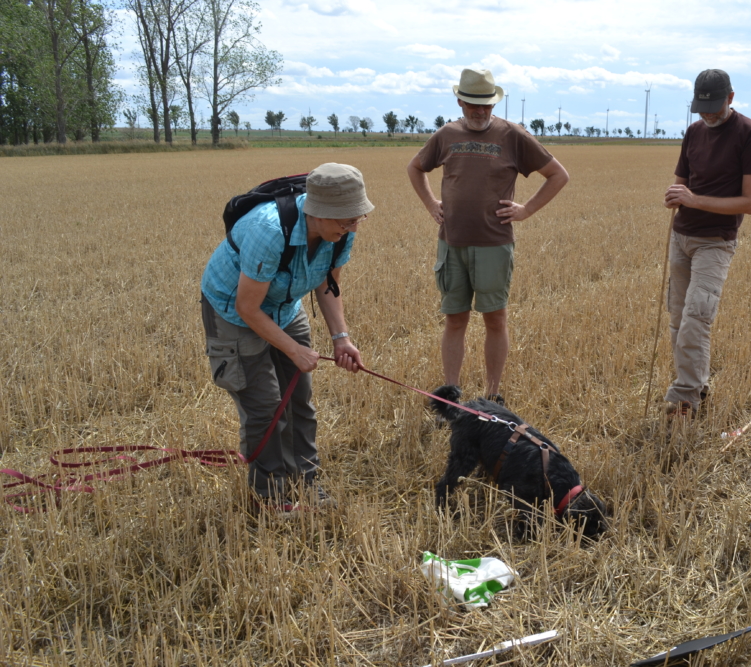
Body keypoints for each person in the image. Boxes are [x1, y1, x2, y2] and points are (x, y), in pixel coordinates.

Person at [200, 163, 372, 511]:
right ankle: (271, 498)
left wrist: (341, 337)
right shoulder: (270, 230)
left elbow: (328, 283)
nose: (354, 227)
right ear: (318, 213)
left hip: (284, 306)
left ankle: (306, 482)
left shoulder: (342, 229)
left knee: (298, 402)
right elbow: (247, 308)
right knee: (265, 407)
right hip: (233, 310)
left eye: (357, 218)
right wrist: (294, 350)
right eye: (346, 220)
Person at [407, 68, 569, 403]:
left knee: (495, 318)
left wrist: (526, 211)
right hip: (451, 242)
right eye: (473, 105)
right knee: (455, 320)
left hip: (494, 244)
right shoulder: (445, 135)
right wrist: (429, 204)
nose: (480, 112)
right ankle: (451, 394)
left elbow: (557, 175)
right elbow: (416, 167)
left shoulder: (512, 135)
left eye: (487, 105)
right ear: (460, 101)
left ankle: (493, 397)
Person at [662, 69, 751, 418]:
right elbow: (682, 181)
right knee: (679, 320)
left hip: (716, 242)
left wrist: (693, 200)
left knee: (697, 317)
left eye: (714, 106)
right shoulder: (693, 132)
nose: (707, 113)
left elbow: (749, 203)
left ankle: (684, 397)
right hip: (682, 237)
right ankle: (697, 385)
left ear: (731, 98)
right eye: (701, 106)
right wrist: (677, 195)